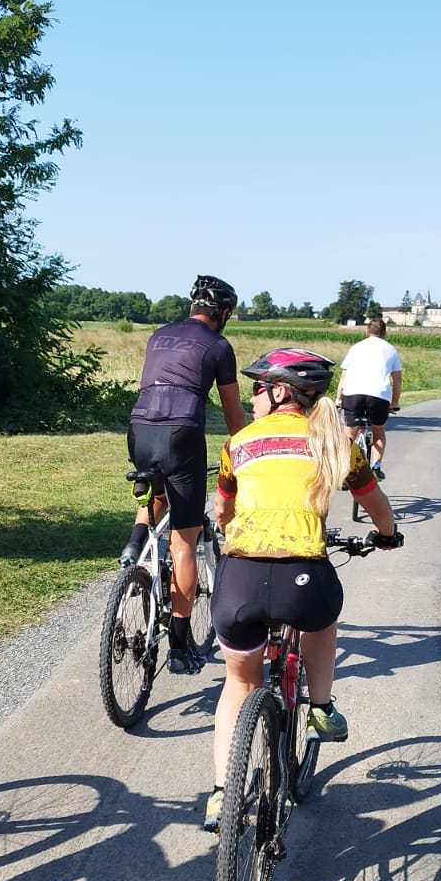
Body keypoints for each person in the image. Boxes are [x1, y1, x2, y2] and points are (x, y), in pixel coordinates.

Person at [203, 347, 401, 831]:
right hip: (303, 577)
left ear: (277, 391)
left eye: (256, 388)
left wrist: (229, 526)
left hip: (241, 577)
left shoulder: (239, 443)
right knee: (322, 617)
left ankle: (222, 795)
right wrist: (388, 535)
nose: (252, 398)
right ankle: (320, 707)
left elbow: (223, 511)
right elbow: (375, 503)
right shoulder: (337, 444)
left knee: (239, 682)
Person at [124, 274, 248, 674]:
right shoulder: (218, 345)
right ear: (223, 313)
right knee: (184, 538)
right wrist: (248, 453)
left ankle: (134, 545)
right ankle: (179, 643)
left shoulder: (158, 335)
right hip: (183, 434)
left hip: (140, 430)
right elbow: (232, 415)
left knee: (154, 494)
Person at [335, 317, 402, 479]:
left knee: (349, 434)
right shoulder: (391, 350)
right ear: (384, 333)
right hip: (379, 395)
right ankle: (376, 467)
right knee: (378, 430)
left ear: (367, 332)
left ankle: (344, 470)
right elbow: (397, 380)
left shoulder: (356, 348)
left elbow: (343, 377)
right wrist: (394, 403)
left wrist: (339, 399)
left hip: (353, 392)